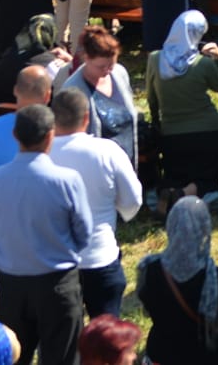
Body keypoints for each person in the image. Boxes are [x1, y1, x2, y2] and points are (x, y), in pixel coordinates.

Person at [0, 105, 91, 365]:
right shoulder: (67, 180)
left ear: (15, 136)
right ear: (50, 136)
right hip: (57, 283)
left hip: (11, 285)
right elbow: (84, 233)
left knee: (13, 357)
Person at [46, 89, 141, 320]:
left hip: (54, 261)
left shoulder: (41, 155)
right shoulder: (108, 151)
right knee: (107, 339)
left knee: (62, 340)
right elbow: (133, 201)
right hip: (100, 256)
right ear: (87, 118)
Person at [136, 195, 218, 365]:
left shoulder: (150, 270)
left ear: (171, 226)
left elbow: (146, 304)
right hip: (210, 357)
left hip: (163, 354)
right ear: (205, 229)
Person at [146, 10, 218, 200]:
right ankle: (190, 191)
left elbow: (151, 98)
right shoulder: (202, 64)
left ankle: (174, 191)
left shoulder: (155, 59)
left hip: (172, 135)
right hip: (206, 132)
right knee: (209, 178)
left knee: (176, 175)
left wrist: (158, 123)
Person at [59, 25, 138, 167]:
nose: (107, 71)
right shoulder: (72, 90)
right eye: (101, 67)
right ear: (86, 58)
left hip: (127, 165)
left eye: (111, 65)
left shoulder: (119, 74)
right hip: (96, 170)